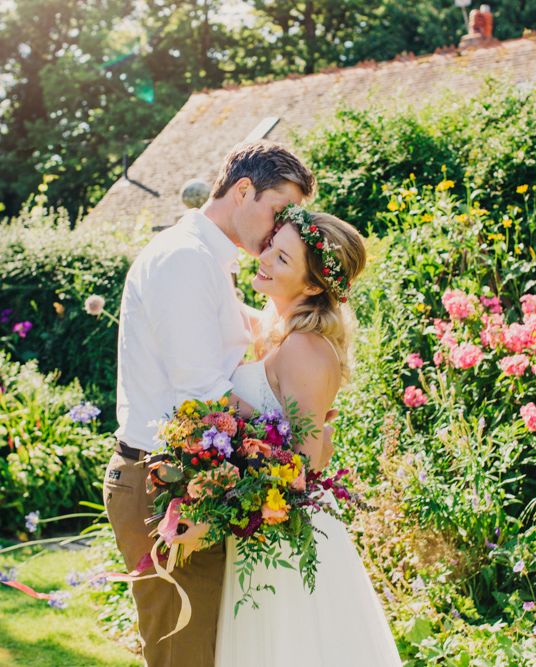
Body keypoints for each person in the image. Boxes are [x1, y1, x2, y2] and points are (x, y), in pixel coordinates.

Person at [103, 140, 315, 667]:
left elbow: (248, 335)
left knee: (204, 652)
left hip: (188, 483)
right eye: (276, 211)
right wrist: (289, 438)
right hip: (164, 489)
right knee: (185, 655)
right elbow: (202, 399)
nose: (277, 230)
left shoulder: (209, 262)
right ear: (243, 190)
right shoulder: (184, 261)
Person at [213, 205, 402, 666]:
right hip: (262, 528)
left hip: (286, 535)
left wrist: (234, 419)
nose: (264, 259)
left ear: (315, 285)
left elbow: (305, 463)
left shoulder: (305, 348)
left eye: (282, 259)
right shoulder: (278, 334)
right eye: (271, 247)